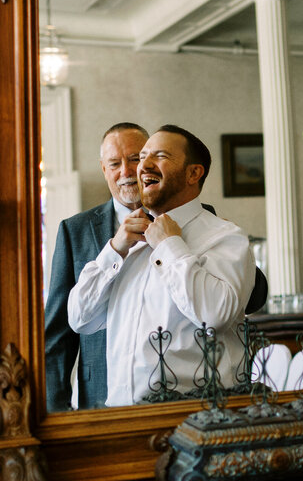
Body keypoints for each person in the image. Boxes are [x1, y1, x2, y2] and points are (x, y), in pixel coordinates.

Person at [68, 125, 255, 407]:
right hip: (122, 416)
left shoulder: (225, 237)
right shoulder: (128, 243)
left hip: (194, 418)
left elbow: (216, 315)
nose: (142, 167)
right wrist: (114, 250)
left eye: (160, 156)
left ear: (194, 173)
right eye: (143, 157)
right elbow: (79, 318)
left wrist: (170, 246)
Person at [45, 122, 148, 411]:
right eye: (115, 163)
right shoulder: (74, 231)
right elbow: (57, 333)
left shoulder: (186, 220)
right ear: (104, 170)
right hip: (101, 394)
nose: (126, 172)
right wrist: (57, 412)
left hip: (177, 394)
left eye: (135, 159)